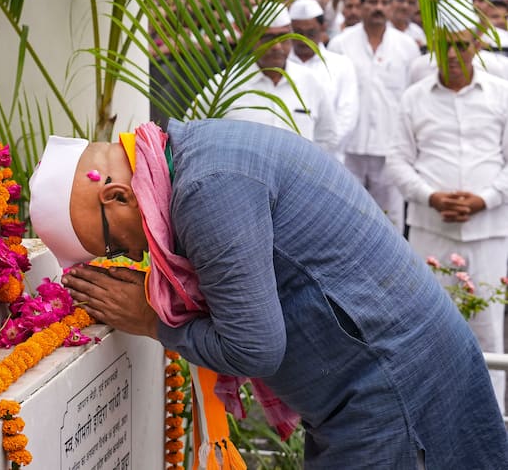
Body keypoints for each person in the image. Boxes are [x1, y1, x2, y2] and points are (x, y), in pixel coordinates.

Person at [29, 118, 508, 468]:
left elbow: (253, 346)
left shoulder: (206, 189)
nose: (131, 256)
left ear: (117, 197)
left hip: (395, 393)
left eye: (113, 244)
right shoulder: (197, 154)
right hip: (377, 382)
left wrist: (152, 321)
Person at [387, 0, 508, 413]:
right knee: (430, 327)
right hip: (429, 230)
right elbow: (397, 161)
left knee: (488, 332)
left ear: (477, 44)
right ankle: (434, 416)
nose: (453, 55)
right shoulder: (414, 98)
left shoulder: (502, 93)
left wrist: (484, 199)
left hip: (489, 231)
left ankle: (489, 425)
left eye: (462, 45)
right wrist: (432, 197)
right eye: (445, 46)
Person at [327, 0, 420, 231]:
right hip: (349, 147)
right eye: (372, 2)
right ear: (361, 4)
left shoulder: (407, 46)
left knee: (390, 222)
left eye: (383, 2)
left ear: (390, 6)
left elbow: (414, 97)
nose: (378, 7)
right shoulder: (340, 44)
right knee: (345, 218)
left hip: (390, 148)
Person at [188, 3, 338, 152]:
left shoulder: (310, 82)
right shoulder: (225, 85)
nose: (277, 46)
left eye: (283, 37)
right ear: (252, 40)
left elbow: (327, 138)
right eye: (268, 38)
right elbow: (190, 133)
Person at [287, 0, 358, 159]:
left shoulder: (340, 65)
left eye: (310, 33)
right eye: (298, 34)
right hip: (285, 158)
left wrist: (318, 152)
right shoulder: (279, 66)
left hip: (329, 159)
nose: (304, 39)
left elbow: (346, 116)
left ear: (323, 28)